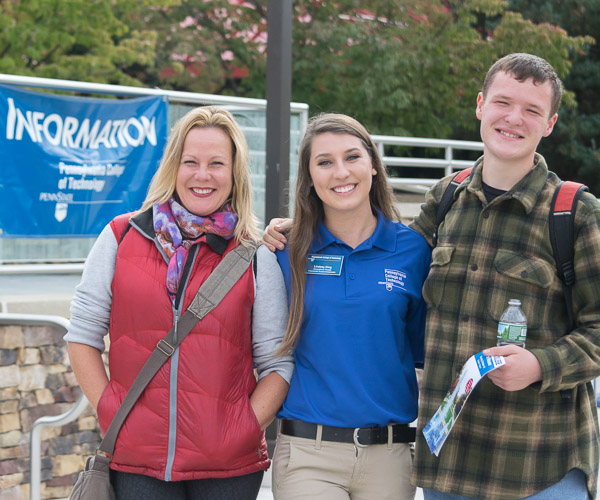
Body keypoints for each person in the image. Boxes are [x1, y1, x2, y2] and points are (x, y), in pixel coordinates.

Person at [263, 53, 600, 500]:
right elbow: (380, 257)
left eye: (532, 110)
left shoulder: (575, 213)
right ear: (481, 105)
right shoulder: (445, 200)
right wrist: (294, 229)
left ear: (550, 122)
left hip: (539, 463)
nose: (514, 118)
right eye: (503, 102)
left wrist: (541, 365)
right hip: (451, 468)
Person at [65, 106, 293, 500]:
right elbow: (82, 335)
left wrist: (242, 427)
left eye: (216, 163)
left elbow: (276, 363)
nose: (202, 175)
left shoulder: (256, 258)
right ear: (174, 166)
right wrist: (110, 408)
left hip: (228, 468)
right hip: (138, 459)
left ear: (234, 173)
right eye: (191, 162)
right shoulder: (120, 238)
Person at [270, 113, 431, 500]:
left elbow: (422, 350)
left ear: (373, 165)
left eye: (352, 157)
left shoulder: (413, 251)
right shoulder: (284, 251)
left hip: (389, 458)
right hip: (308, 453)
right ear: (309, 178)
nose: (340, 172)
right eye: (324, 162)